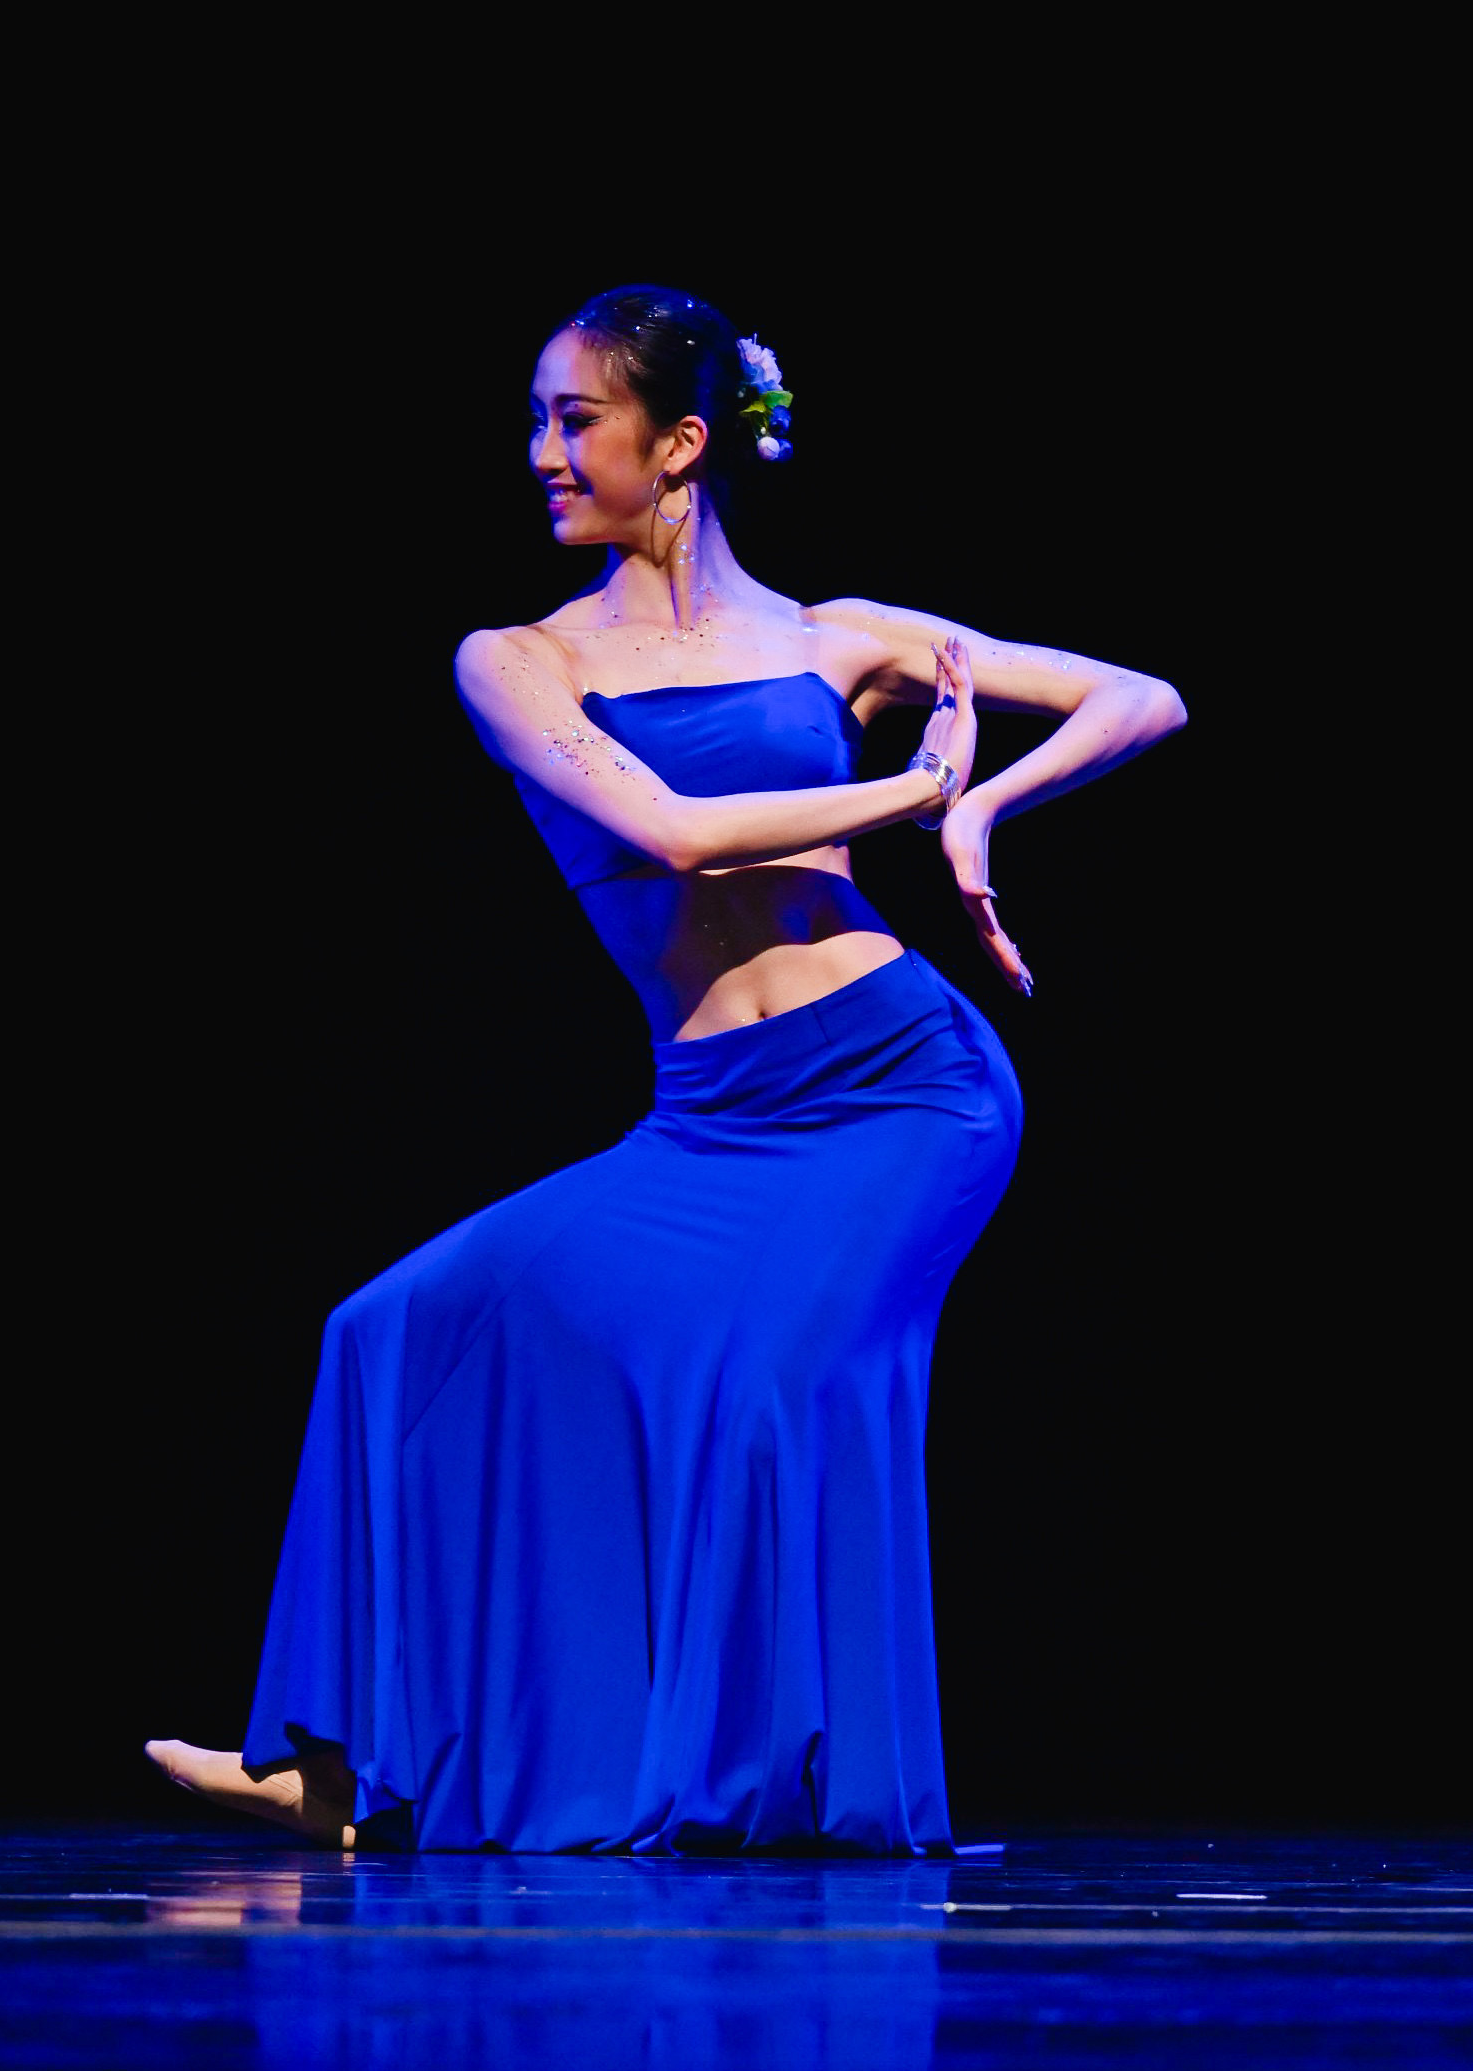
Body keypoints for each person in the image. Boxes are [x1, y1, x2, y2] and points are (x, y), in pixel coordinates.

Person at [146, 290, 1185, 1854]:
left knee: (767, 1392)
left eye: (575, 421)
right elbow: (671, 831)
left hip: (903, 1092)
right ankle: (340, 1766)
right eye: (535, 422)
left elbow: (1140, 697)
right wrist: (911, 791)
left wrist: (982, 811)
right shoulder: (517, 662)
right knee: (394, 1327)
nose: (541, 454)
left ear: (680, 442)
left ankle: (757, 1784)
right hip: (708, 1120)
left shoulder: (833, 638)